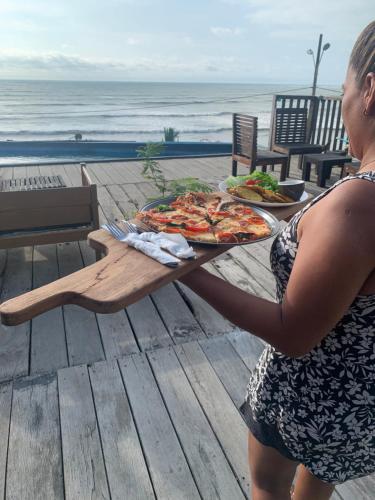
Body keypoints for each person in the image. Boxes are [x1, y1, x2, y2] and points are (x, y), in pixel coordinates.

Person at [179, 21, 375, 500]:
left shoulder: (357, 204)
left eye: (342, 90)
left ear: (370, 90)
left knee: (268, 485)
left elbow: (293, 333)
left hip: (308, 397)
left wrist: (183, 265)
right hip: (359, 399)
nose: (343, 104)